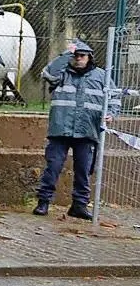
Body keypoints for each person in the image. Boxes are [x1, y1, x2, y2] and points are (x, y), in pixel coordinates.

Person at [34, 40, 119, 220]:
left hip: (88, 130)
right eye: (76, 55)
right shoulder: (62, 73)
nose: (79, 58)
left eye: (82, 55)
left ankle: (79, 205)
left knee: (84, 170)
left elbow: (114, 97)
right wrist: (66, 54)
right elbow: (47, 73)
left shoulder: (101, 76)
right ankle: (43, 202)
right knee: (53, 167)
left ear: (89, 57)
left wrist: (111, 113)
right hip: (60, 129)